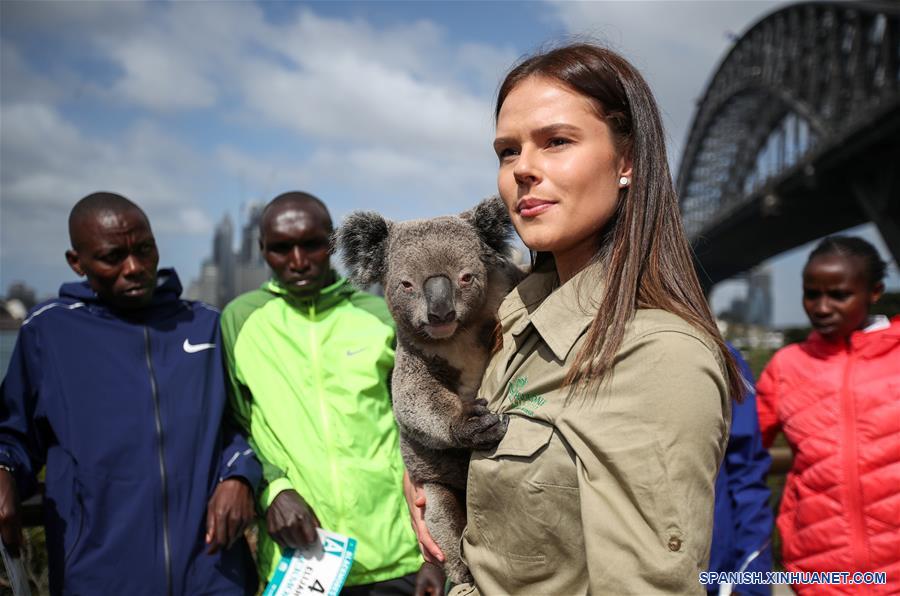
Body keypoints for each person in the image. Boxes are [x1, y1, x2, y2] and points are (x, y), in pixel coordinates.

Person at [407, 42, 743, 594]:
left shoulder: (656, 356)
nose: (523, 171)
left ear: (627, 159)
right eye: (507, 151)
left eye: (556, 142)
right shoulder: (515, 325)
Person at [0, 192, 261, 595]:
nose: (135, 267)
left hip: (214, 574)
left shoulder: (205, 324)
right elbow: (14, 436)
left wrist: (239, 475)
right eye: (113, 257)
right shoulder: (47, 332)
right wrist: (2, 470)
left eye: (144, 249)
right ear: (77, 262)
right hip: (98, 578)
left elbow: (240, 424)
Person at [221, 192, 442, 595]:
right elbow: (233, 425)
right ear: (261, 250)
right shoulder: (239, 320)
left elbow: (421, 431)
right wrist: (274, 490)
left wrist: (431, 554)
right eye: (281, 249)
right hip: (299, 563)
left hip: (399, 560)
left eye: (312, 244)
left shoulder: (379, 316)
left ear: (333, 243)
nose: (299, 260)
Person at [756, 235, 899, 594]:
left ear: (875, 291)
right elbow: (742, 450)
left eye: (838, 295)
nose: (821, 307)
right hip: (818, 573)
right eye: (811, 293)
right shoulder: (787, 365)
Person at [707, 346, 773, 596]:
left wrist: (750, 584)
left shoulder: (720, 355)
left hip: (712, 578)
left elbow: (748, 472)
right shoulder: (589, 347)